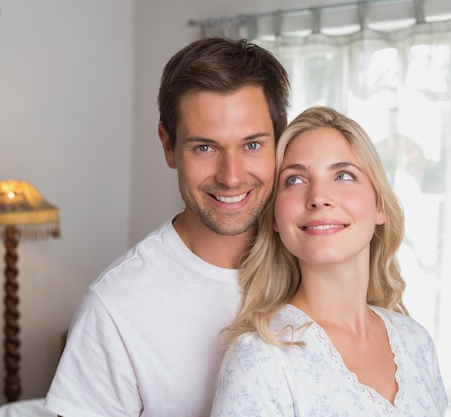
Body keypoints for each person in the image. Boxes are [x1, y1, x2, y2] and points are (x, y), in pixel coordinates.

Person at [43, 37, 289, 417]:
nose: (232, 175)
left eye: (252, 145)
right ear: (168, 146)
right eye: (205, 147)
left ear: (279, 140)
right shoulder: (115, 307)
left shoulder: (313, 263)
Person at [210, 106, 448, 417]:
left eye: (344, 175)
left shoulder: (415, 341)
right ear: (276, 220)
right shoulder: (260, 358)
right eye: (294, 180)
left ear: (380, 207)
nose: (319, 196)